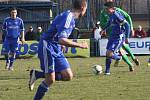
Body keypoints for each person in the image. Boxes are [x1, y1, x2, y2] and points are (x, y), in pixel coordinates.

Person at [29, 0, 88, 99]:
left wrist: (62, 44)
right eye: (86, 9)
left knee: (68, 75)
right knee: (50, 80)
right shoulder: (68, 18)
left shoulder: (68, 16)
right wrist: (80, 45)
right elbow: (62, 39)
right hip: (47, 46)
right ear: (82, 8)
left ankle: (37, 74)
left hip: (55, 46)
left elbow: (59, 35)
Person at [99, 1, 140, 69]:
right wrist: (103, 30)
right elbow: (103, 23)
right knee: (120, 49)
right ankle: (131, 63)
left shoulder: (117, 10)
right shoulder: (103, 12)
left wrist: (131, 28)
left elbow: (128, 17)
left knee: (121, 47)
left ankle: (132, 59)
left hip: (120, 33)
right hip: (111, 34)